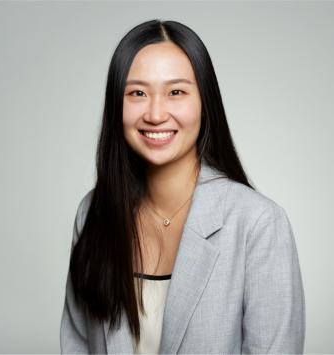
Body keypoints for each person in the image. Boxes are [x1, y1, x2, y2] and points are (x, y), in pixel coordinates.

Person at [60, 19, 305, 354]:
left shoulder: (258, 223)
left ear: (205, 102)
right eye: (137, 93)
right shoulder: (93, 211)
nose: (156, 113)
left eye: (176, 92)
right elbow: (78, 345)